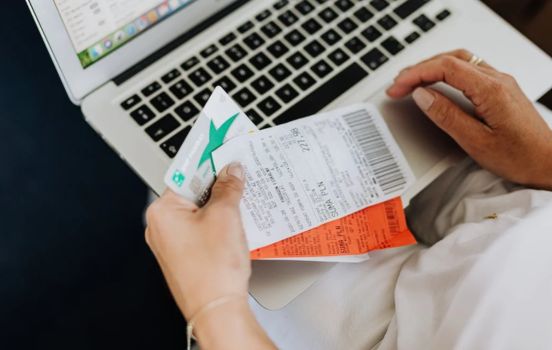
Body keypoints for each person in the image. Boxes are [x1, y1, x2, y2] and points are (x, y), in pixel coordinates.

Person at [144, 49, 552, 350]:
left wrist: (215, 307)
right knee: (410, 109)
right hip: (532, 209)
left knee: (175, 191)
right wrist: (544, 162)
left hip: (397, 335)